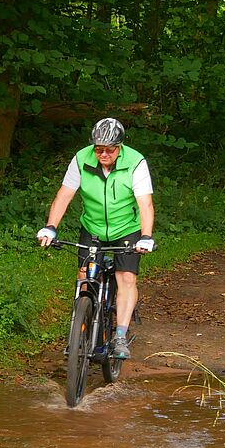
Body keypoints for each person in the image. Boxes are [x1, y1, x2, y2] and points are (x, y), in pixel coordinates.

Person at [36, 117, 155, 360]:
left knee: (126, 277)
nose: (103, 154)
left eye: (109, 149)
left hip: (126, 229)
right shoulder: (81, 159)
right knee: (85, 276)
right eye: (98, 149)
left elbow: (145, 204)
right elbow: (64, 195)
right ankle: (81, 329)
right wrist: (50, 227)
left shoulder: (135, 162)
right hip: (92, 228)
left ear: (119, 147)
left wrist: (145, 236)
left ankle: (120, 335)